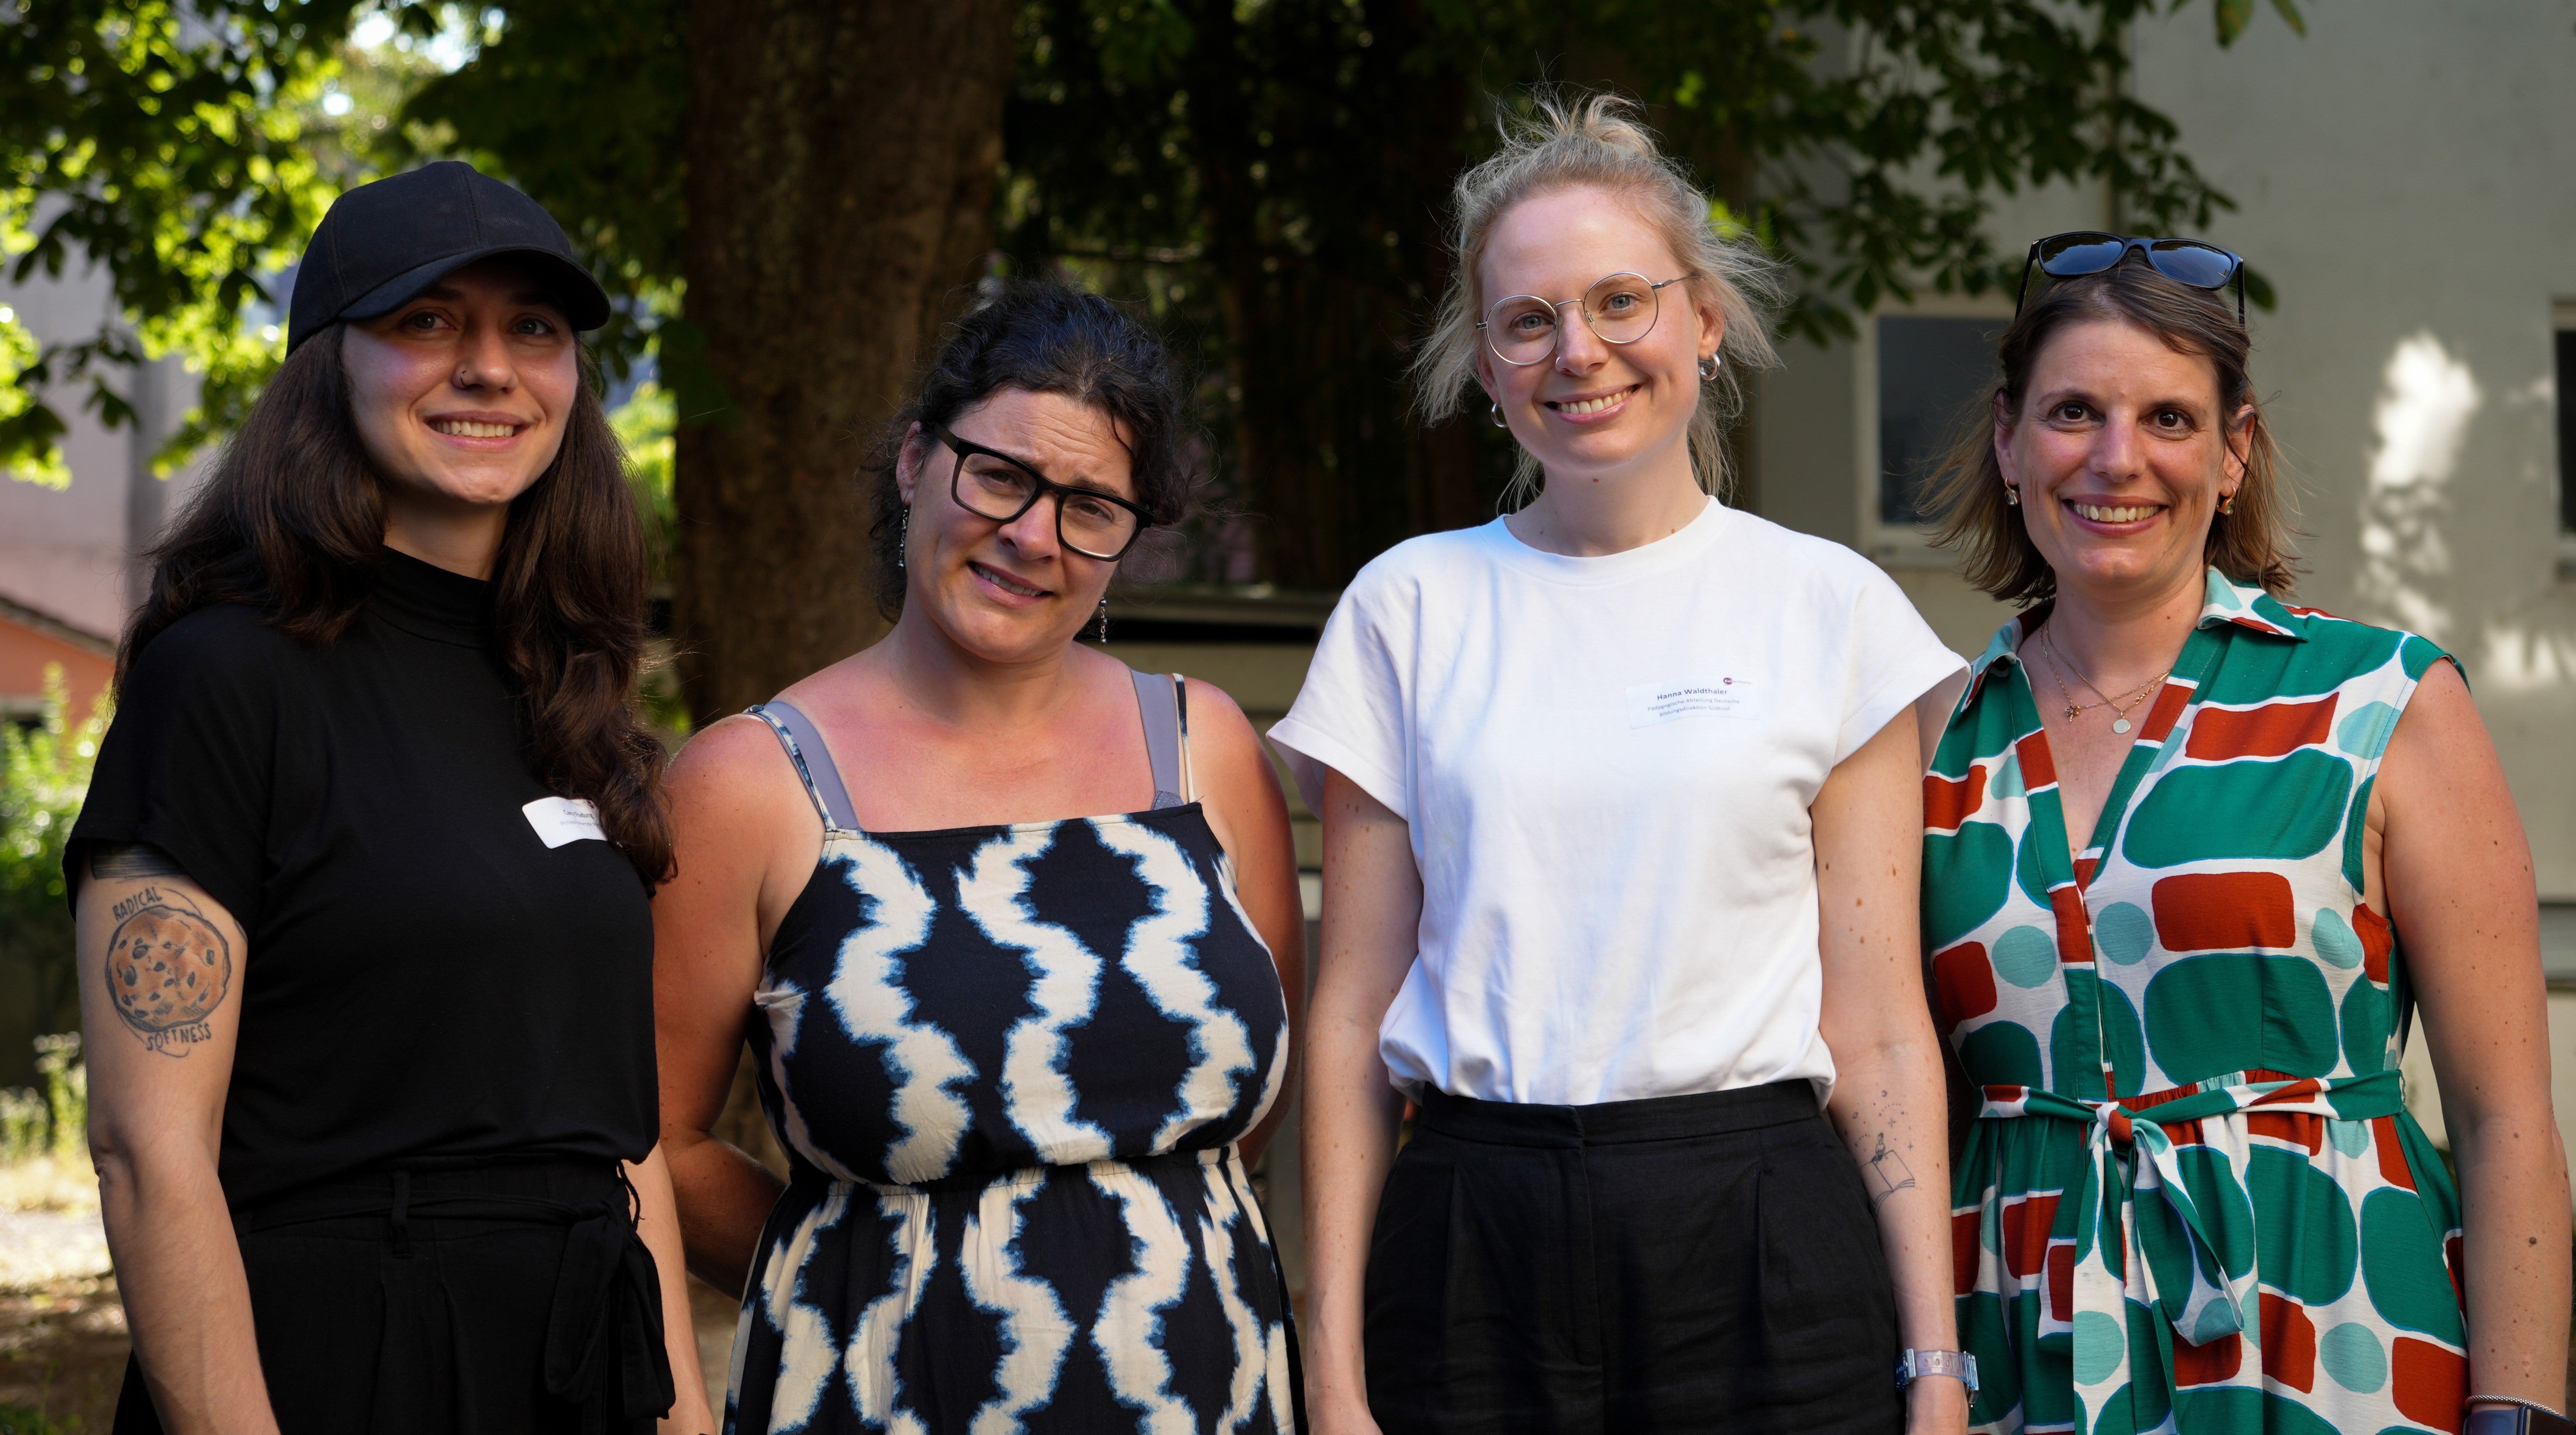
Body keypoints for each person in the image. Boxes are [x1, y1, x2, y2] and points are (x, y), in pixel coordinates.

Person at [1270, 93, 1973, 1435]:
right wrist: (1336, 1371)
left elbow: (1879, 1026)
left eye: (1618, 303)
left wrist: (1932, 1369)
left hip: (1764, 1231)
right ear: (1483, 364)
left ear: (1703, 323)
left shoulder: (1827, 608)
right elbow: (1352, 1015)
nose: (1574, 353)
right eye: (1526, 320)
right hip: (1469, 1235)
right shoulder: (1404, 609)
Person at [70, 162, 710, 1432]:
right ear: (329, 366)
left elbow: (617, 1137)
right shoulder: (225, 678)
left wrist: (686, 1419)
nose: (489, 367)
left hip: (579, 1363)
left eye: (532, 326)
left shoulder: (566, 694)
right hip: (337, 1363)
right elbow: (151, 1156)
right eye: (428, 321)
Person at [1917, 234, 2573, 1435]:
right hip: (2022, 1355)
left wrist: (2517, 1406)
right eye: (2073, 412)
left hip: (2335, 1337)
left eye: (2169, 419)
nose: (2117, 459)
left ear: (2232, 454)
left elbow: (2505, 1117)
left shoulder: (2379, 700)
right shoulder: (1925, 739)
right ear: (2009, 444)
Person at [651, 281, 1307, 1431]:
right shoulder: (747, 784)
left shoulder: (1208, 749)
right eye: (999, 476)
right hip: (880, 1394)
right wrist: (852, 1265)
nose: (1033, 535)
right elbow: (649, 1138)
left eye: (1091, 506)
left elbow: (1253, 1107)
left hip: (1208, 1388)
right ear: (915, 461)